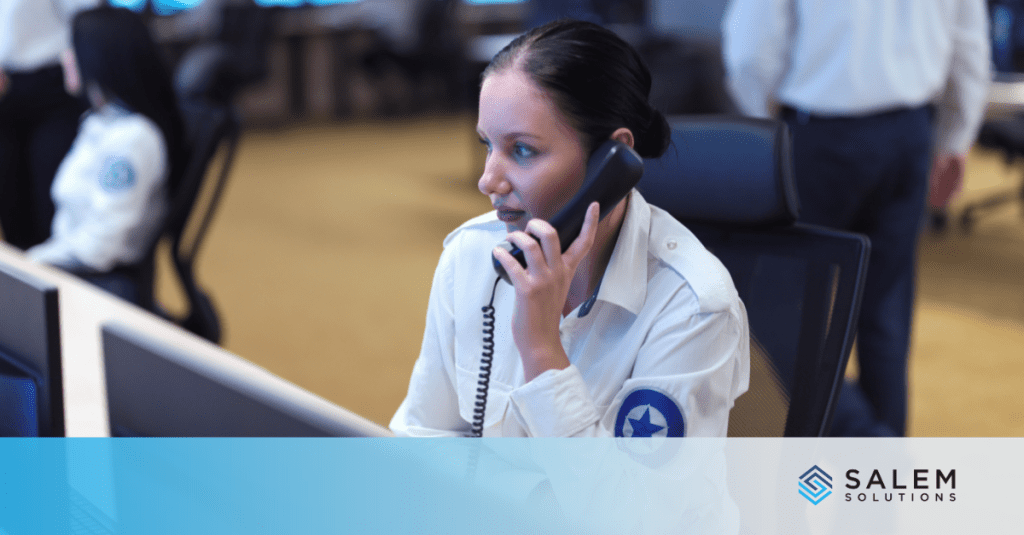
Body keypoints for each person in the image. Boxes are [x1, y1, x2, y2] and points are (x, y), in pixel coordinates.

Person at [391, 19, 750, 437]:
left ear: (611, 160)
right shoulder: (472, 256)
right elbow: (422, 436)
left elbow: (641, 503)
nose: (488, 181)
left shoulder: (691, 308)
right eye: (487, 145)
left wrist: (542, 351)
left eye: (522, 150)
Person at [722, 0, 991, 436]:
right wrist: (956, 137)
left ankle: (864, 439)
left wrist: (760, 129)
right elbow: (968, 40)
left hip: (820, 139)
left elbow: (751, 52)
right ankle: (879, 485)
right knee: (885, 315)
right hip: (909, 135)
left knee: (778, 320)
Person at [25, 6, 187, 304]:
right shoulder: (101, 122)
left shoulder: (132, 140)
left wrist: (29, 263)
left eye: (71, 48)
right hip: (73, 272)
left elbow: (100, 247)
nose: (65, 58)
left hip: (101, 287)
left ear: (96, 57)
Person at [0, 0, 98, 250]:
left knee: (49, 199)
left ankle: (55, 278)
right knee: (10, 202)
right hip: (5, 91)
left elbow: (86, 15)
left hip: (50, 82)